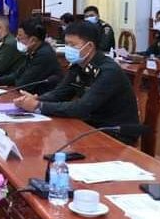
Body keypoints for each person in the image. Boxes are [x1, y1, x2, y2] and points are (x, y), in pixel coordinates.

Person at [13, 21, 141, 144]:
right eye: (66, 44)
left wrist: (39, 105)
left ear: (89, 47)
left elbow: (81, 107)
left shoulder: (108, 71)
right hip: (91, 126)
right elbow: (59, 94)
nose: (68, 49)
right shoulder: (78, 65)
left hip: (115, 133)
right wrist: (35, 99)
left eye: (73, 45)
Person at [0, 18, 63, 94]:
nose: (17, 38)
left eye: (20, 36)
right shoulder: (33, 51)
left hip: (42, 97)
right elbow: (17, 74)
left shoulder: (44, 55)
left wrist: (16, 80)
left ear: (33, 40)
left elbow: (23, 84)